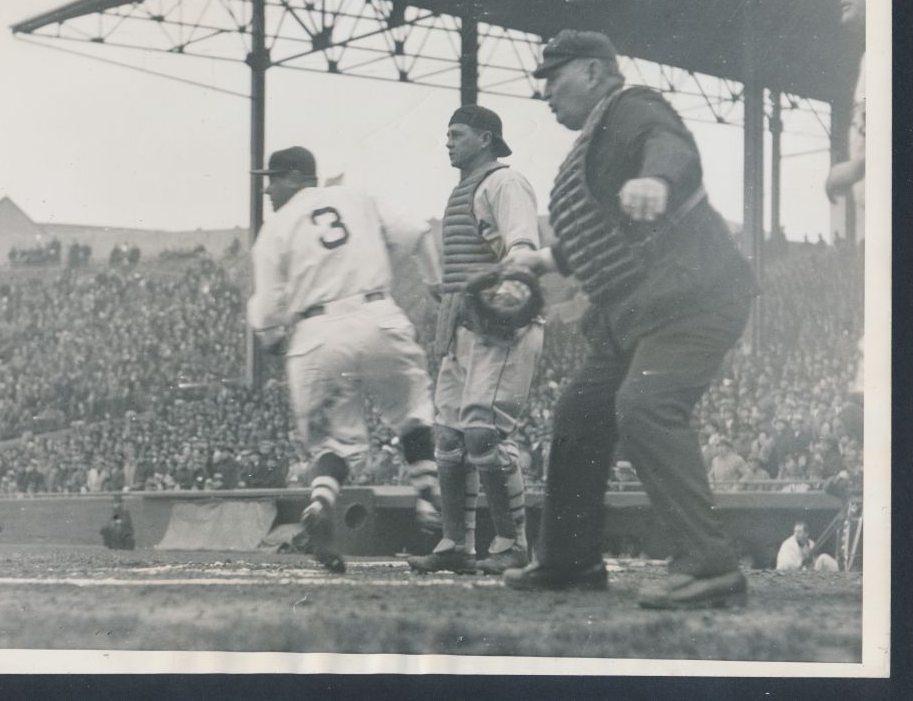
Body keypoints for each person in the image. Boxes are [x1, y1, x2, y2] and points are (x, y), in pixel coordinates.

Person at [501, 30, 758, 609]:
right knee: (576, 416)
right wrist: (543, 259)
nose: (545, 94)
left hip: (696, 296)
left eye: (554, 78)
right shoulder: (598, 136)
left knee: (645, 406)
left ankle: (710, 564)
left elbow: (670, 145)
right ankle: (570, 560)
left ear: (594, 72)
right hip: (638, 315)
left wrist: (656, 179)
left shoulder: (632, 107)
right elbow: (604, 232)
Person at [247, 146, 442, 573]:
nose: (268, 187)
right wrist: (434, 283)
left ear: (297, 178)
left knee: (336, 442)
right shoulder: (358, 197)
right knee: (413, 413)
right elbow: (419, 235)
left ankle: (320, 503)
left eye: (274, 177)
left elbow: (264, 318)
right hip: (379, 315)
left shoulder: (276, 228)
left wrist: (276, 341)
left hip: (316, 331)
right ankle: (428, 498)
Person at [407, 105, 543, 576]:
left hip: (500, 326)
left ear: (485, 138)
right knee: (447, 437)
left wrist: (505, 306)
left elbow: (523, 248)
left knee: (483, 435)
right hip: (463, 327)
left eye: (457, 133)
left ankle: (512, 543)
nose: (448, 141)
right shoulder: (463, 189)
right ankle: (455, 544)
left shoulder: (504, 183)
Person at [824, 0, 866, 407]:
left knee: (862, 411)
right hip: (875, 243)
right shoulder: (871, 57)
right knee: (859, 409)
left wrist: (853, 168)